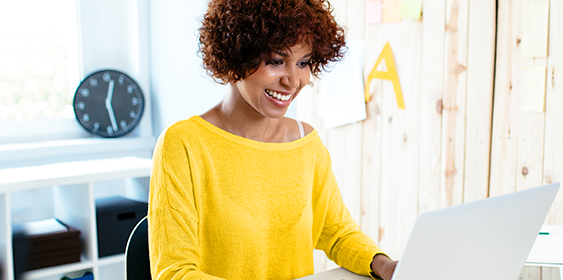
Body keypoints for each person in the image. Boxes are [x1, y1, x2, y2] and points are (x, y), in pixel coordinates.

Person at [147, 0, 398, 279]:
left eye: (303, 63)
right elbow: (173, 271)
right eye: (276, 61)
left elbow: (337, 233)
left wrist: (384, 265)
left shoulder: (306, 143)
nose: (293, 80)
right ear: (235, 57)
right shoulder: (183, 144)